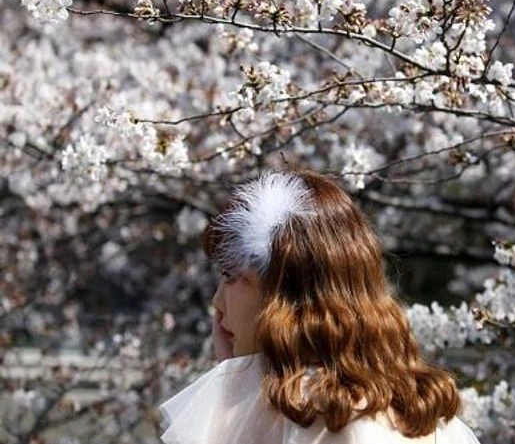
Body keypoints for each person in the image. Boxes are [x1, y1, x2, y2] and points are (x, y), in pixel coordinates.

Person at [159, 169, 482, 444]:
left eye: (231, 276)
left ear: (283, 291)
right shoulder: (416, 409)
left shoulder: (322, 418)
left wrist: (231, 396)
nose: (217, 302)